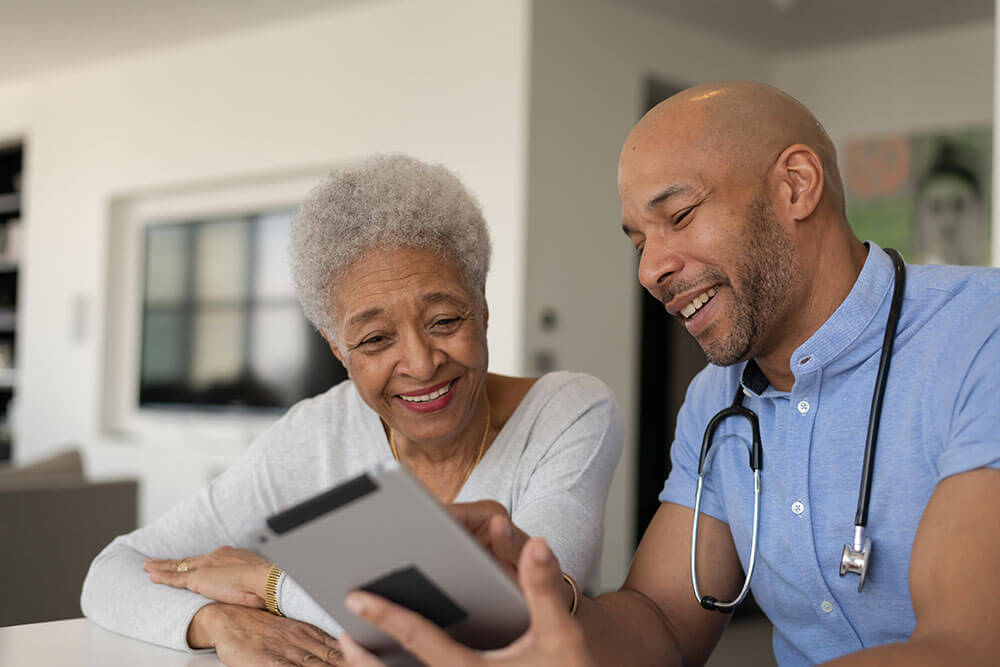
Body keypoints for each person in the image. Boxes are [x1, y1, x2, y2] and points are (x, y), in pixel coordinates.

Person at [339, 82, 1000, 666]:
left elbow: (966, 647)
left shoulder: (980, 334)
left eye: (678, 216)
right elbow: (660, 624)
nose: (650, 270)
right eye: (637, 240)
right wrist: (537, 603)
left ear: (795, 185)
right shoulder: (718, 399)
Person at [81, 154, 623, 665]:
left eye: (444, 321)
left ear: (482, 304)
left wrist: (267, 583)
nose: (420, 362)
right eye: (374, 340)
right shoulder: (315, 433)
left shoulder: (569, 412)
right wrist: (216, 621)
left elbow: (507, 631)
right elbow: (111, 573)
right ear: (336, 347)